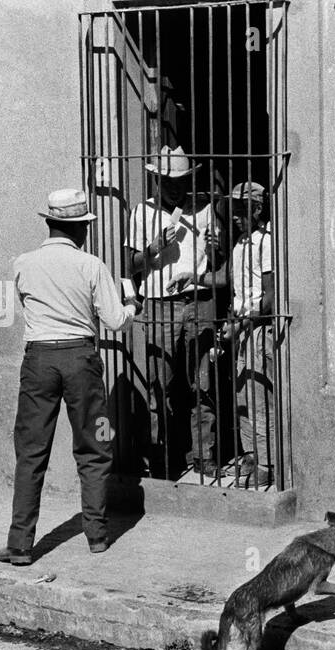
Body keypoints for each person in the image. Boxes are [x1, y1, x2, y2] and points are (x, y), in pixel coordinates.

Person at [0, 188, 135, 566]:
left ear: (49, 222)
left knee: (30, 452)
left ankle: (20, 544)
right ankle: (96, 535)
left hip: (38, 360)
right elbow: (113, 320)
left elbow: (26, 306)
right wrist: (131, 306)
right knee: (96, 445)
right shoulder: (91, 265)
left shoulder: (23, 263)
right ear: (81, 228)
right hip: (81, 359)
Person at [125, 145, 227, 479]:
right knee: (160, 385)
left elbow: (220, 265)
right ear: (157, 181)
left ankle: (203, 456)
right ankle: (162, 459)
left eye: (181, 180)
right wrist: (153, 249)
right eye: (169, 181)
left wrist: (215, 248)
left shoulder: (204, 209)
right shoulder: (143, 212)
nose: (176, 187)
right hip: (159, 305)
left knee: (201, 384)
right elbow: (130, 265)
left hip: (199, 301)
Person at [223, 181, 276, 488]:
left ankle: (267, 463)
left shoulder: (265, 242)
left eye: (241, 210)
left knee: (260, 399)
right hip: (243, 327)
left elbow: (268, 297)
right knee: (244, 397)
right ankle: (251, 456)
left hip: (257, 328)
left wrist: (244, 321)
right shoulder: (241, 243)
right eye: (233, 210)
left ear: (257, 209)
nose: (235, 216)